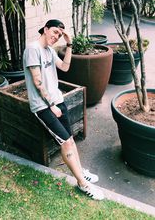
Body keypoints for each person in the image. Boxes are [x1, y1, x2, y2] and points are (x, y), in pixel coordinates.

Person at [23, 19, 104, 200]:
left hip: (58, 101)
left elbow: (65, 67)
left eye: (59, 35)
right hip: (44, 106)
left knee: (70, 139)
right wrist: (51, 105)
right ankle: (82, 184)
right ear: (45, 29)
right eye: (54, 32)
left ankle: (81, 172)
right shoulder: (33, 49)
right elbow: (37, 81)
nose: (55, 36)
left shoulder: (49, 51)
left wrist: (69, 44)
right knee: (66, 142)